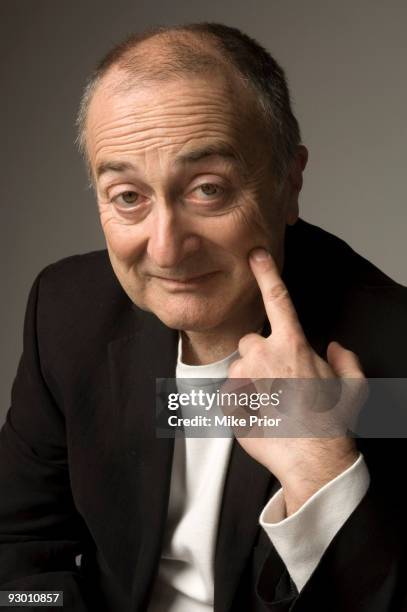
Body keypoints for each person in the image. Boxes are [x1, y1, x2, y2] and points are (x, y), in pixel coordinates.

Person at [0, 22, 406, 612]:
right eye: (128, 197)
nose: (165, 250)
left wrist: (322, 470)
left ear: (289, 181)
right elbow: (18, 556)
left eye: (208, 190)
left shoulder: (393, 356)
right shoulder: (67, 312)